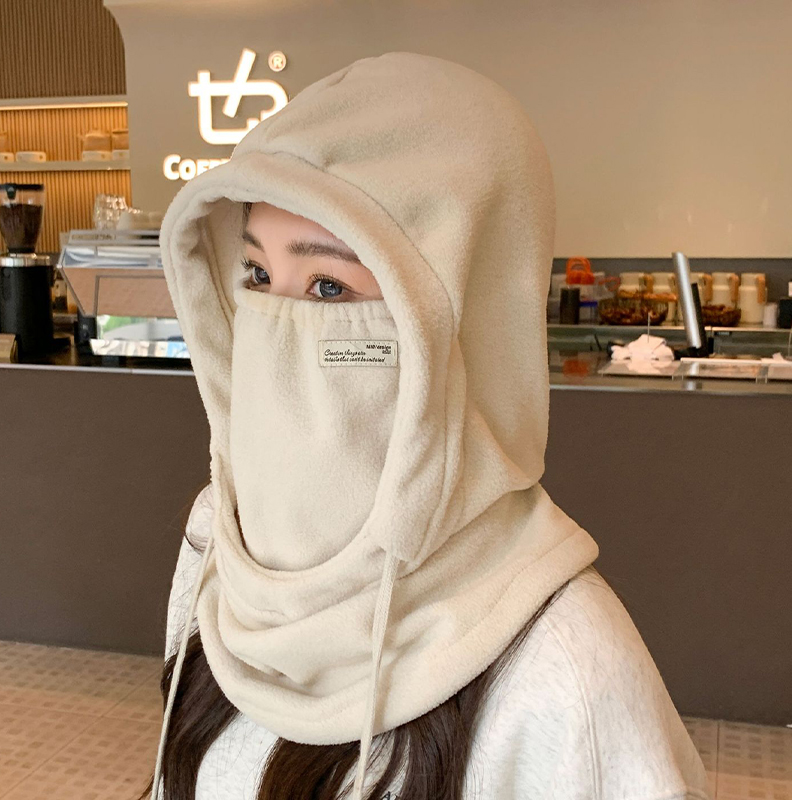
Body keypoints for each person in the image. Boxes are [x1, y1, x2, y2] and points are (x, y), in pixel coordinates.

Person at [144, 52, 710, 799]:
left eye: (328, 286)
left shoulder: (567, 671)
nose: (274, 326)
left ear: (468, 321)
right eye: (257, 275)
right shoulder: (217, 540)